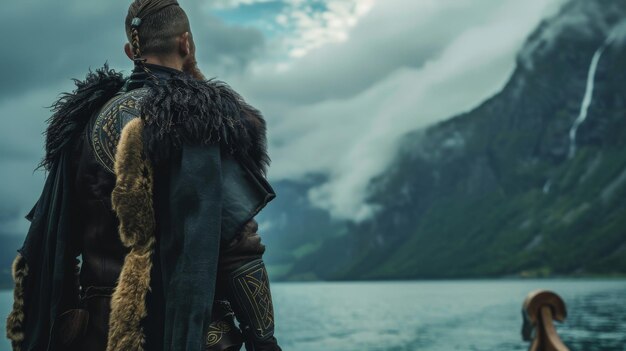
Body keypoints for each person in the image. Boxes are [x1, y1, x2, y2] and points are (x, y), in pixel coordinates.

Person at [5, 1, 282, 350]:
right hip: (186, 334)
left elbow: (50, 240)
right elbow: (240, 251)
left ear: (129, 50)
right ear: (186, 44)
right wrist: (265, 341)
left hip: (98, 335)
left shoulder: (81, 125)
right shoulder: (203, 121)